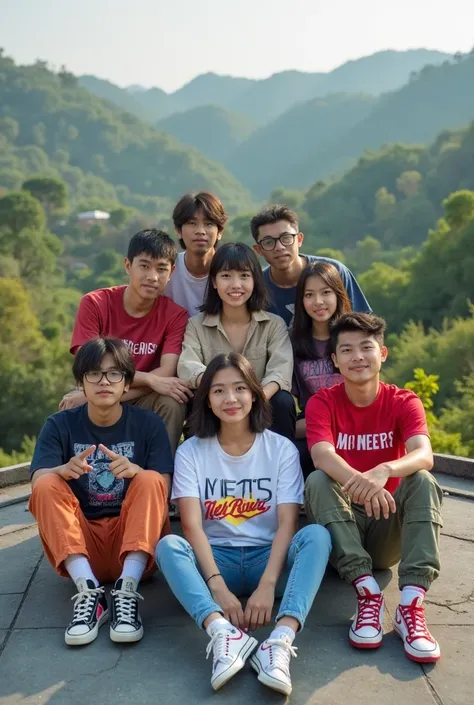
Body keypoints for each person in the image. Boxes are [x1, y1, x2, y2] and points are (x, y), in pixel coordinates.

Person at [156, 353, 331, 695]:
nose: (231, 399)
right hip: (216, 559)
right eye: (219, 391)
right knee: (168, 545)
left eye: (239, 388)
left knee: (316, 536)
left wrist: (267, 585)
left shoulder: (280, 449)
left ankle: (280, 640)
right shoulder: (191, 451)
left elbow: (287, 523)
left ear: (254, 394)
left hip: (270, 559)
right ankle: (221, 631)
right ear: (207, 399)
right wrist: (218, 588)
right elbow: (191, 527)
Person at [304, 313, 443, 663]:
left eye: (366, 348)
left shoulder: (403, 401)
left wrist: (384, 470)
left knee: (423, 481)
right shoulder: (323, 402)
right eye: (346, 350)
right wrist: (364, 484)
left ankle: (410, 605)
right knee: (318, 480)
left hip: (387, 529)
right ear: (334, 360)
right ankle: (367, 595)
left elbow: (424, 454)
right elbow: (322, 455)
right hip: (342, 528)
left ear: (383, 353)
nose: (357, 357)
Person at [29, 337, 172, 646]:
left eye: (114, 374)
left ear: (126, 383)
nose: (104, 381)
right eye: (94, 373)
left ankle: (127, 590)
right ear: (81, 382)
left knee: (150, 481)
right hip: (81, 545)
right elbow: (39, 477)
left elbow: (163, 487)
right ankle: (90, 593)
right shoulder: (59, 425)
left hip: (133, 541)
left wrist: (136, 472)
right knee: (46, 484)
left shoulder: (149, 424)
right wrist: (61, 470)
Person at [61, 229, 192, 453]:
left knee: (173, 402)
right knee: (69, 406)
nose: (152, 276)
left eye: (161, 269)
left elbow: (167, 371)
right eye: (144, 266)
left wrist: (149, 383)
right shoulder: (95, 304)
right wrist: (150, 379)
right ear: (128, 266)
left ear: (171, 273)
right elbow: (91, 367)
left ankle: (161, 475)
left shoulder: (175, 315)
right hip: (98, 389)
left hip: (141, 399)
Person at [178, 242, 296, 440]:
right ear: (214, 281)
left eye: (244, 276)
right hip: (212, 407)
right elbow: (187, 367)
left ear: (255, 281)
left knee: (283, 401)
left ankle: (282, 464)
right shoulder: (196, 325)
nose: (235, 285)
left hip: (260, 407)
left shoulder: (273, 324)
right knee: (191, 399)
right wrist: (222, 393)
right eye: (226, 276)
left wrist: (253, 399)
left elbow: (280, 370)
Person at [250, 204, 370, 327]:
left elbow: (367, 327)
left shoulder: (334, 272)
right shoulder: (256, 288)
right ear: (259, 250)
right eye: (268, 242)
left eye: (286, 238)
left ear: (299, 239)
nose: (279, 247)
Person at [291, 261, 352, 478]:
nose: (318, 302)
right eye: (309, 295)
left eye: (326, 292)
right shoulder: (293, 341)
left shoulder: (353, 336)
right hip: (312, 424)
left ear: (338, 295)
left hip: (354, 423)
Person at [164, 192, 227, 316]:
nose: (200, 231)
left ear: (219, 232)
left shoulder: (231, 271)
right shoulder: (166, 270)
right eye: (192, 223)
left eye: (208, 224)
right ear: (178, 230)